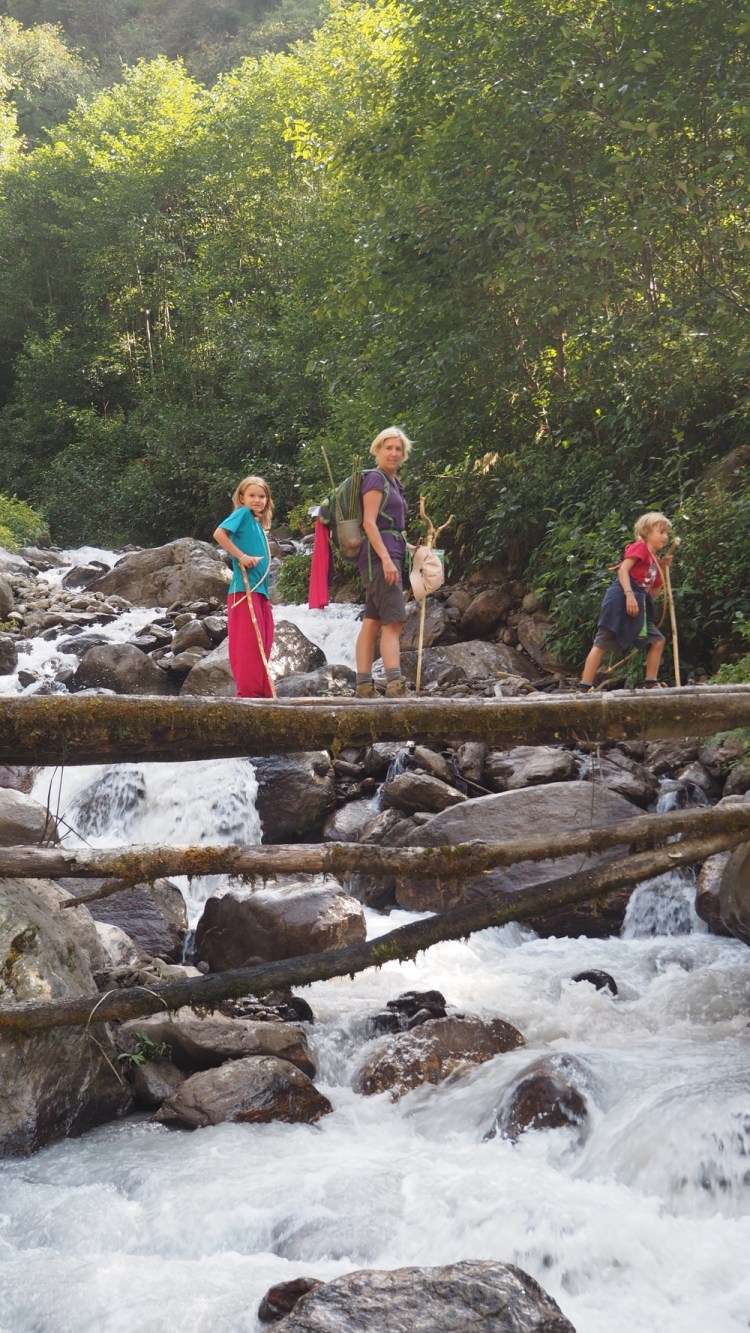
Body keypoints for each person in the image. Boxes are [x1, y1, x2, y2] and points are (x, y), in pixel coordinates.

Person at [579, 511, 673, 691]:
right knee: (601, 643)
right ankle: (584, 687)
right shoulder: (640, 547)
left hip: (639, 604)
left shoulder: (655, 561)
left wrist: (662, 568)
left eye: (666, 533)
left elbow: (653, 594)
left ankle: (651, 683)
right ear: (646, 532)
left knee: (657, 640)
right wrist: (629, 595)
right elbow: (623, 570)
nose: (665, 537)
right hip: (621, 598)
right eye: (661, 532)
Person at [354, 426, 412, 698]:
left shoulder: (393, 482)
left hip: (388, 554)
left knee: (373, 620)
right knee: (395, 622)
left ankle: (364, 685)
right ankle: (395, 685)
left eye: (398, 448)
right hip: (380, 559)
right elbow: (369, 522)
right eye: (388, 447)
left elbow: (388, 525)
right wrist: (387, 560)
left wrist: (409, 546)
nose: (393, 452)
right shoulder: (376, 479)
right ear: (377, 450)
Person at [213, 475, 275, 698]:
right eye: (252, 496)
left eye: (262, 496)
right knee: (249, 644)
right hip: (245, 592)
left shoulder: (256, 522)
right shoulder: (242, 514)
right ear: (242, 497)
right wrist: (241, 555)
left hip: (260, 592)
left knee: (263, 642)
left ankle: (261, 691)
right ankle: (249, 693)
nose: (257, 500)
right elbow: (219, 533)